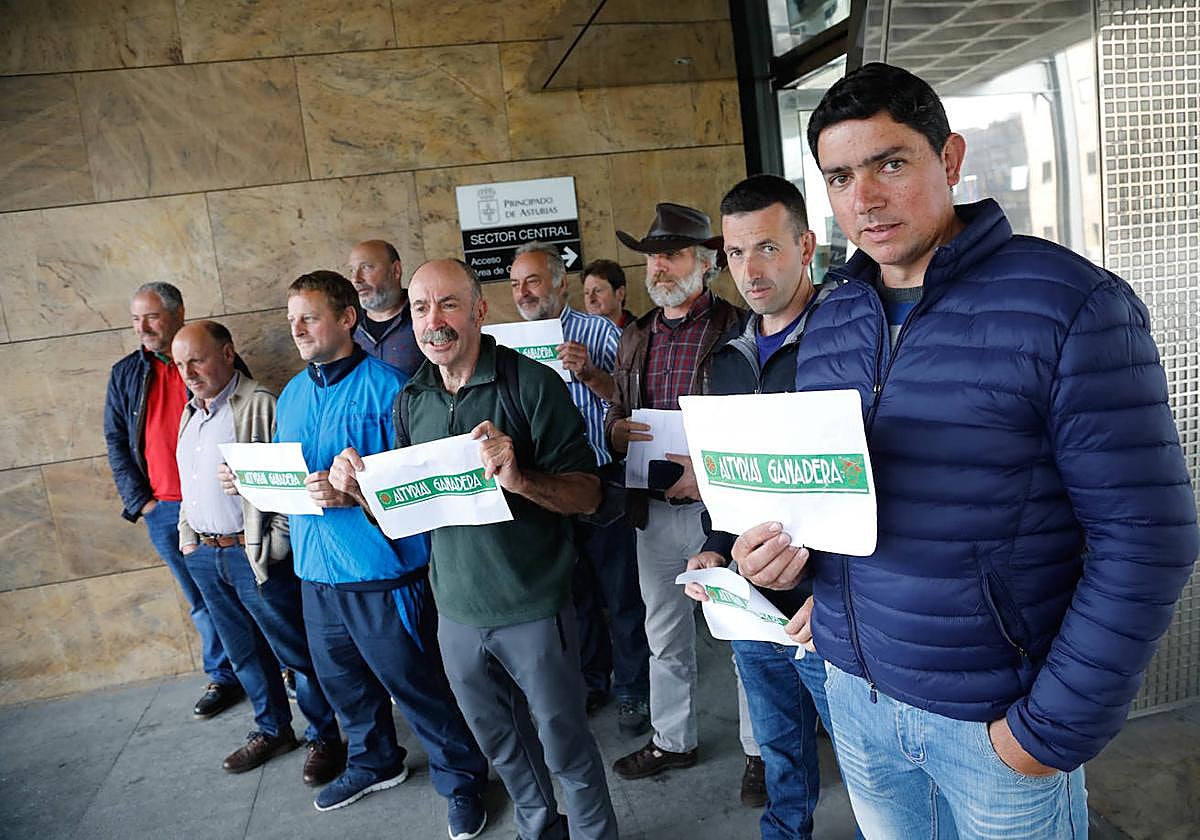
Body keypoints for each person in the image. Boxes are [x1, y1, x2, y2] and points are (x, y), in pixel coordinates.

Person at [734, 62, 1199, 839]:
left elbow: (1148, 538)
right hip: (855, 696)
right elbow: (841, 505)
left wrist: (1045, 733)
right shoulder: (837, 318)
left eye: (890, 164)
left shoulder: (1069, 305)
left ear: (948, 159)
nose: (866, 199)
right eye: (841, 177)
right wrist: (795, 566)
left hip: (995, 723)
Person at [330, 259, 619, 840]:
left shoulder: (528, 384)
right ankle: (540, 829)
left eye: (449, 305)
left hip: (533, 604)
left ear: (480, 310)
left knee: (565, 745)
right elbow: (405, 519)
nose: (433, 322)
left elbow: (589, 493)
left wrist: (522, 480)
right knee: (503, 747)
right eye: (419, 308)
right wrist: (364, 495)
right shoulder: (412, 399)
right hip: (456, 612)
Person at [260, 271, 489, 836]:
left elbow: (423, 485)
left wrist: (354, 495)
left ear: (347, 319)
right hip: (316, 573)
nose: (298, 329)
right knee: (346, 687)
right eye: (292, 319)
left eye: (309, 317)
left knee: (419, 687)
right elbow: (293, 480)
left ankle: (462, 777)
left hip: (383, 570)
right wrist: (253, 483)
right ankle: (374, 760)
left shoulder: (394, 389)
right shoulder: (290, 395)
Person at [681, 174, 859, 837]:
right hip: (753, 603)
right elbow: (726, 482)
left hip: (831, 609)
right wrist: (715, 546)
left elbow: (868, 485)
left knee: (866, 758)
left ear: (806, 245)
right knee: (780, 747)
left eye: (766, 249)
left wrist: (840, 591)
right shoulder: (725, 360)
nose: (749, 270)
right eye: (734, 253)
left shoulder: (844, 345)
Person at [603, 204, 763, 795]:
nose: (658, 266)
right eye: (651, 255)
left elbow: (761, 423)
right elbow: (617, 412)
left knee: (744, 634)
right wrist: (615, 429)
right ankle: (674, 739)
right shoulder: (636, 334)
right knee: (662, 635)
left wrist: (714, 469)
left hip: (724, 512)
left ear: (706, 262)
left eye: (670, 254)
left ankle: (760, 751)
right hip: (654, 512)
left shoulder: (741, 329)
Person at [171, 321, 343, 783]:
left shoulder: (259, 403)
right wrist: (189, 537)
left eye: (198, 359)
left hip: (254, 557)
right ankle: (272, 731)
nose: (188, 371)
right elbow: (190, 482)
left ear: (227, 354)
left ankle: (326, 737)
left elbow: (288, 479)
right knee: (244, 653)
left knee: (295, 652)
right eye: (180, 363)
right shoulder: (190, 413)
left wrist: (276, 544)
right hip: (208, 555)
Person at [508, 241, 651, 736]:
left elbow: (629, 399)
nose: (522, 293)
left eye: (532, 281)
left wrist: (590, 372)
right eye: (514, 284)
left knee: (622, 592)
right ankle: (594, 681)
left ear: (558, 283)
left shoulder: (600, 331)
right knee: (575, 596)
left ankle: (634, 690)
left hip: (604, 477)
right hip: (548, 489)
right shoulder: (507, 349)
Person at [103, 282, 242, 719]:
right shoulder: (126, 373)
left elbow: (242, 415)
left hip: (221, 508)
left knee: (248, 594)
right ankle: (224, 676)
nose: (142, 327)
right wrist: (140, 501)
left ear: (179, 313)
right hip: (163, 509)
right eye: (135, 319)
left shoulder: (214, 357)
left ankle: (275, 670)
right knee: (200, 600)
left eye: (152, 317)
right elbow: (115, 441)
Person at [347, 239, 423, 376]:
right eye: (352, 270)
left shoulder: (425, 317)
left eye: (366, 267)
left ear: (396, 270)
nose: (356, 279)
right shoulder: (347, 327)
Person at [582, 259, 635, 329]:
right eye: (586, 293)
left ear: (620, 294)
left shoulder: (642, 335)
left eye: (598, 291)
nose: (590, 299)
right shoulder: (579, 335)